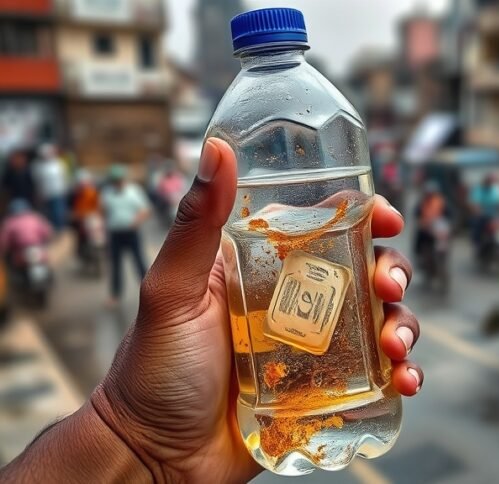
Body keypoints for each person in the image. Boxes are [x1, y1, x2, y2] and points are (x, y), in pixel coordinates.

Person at [0, 138, 423, 482]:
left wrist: (136, 443)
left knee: (359, 280)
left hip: (293, 425)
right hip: (272, 422)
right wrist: (135, 438)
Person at [101, 164, 151, 305]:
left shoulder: (134, 191)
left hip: (131, 233)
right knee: (115, 265)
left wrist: (136, 221)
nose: (117, 183)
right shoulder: (107, 193)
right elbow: (103, 211)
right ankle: (115, 295)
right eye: (114, 180)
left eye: (119, 180)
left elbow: (145, 209)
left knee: (139, 262)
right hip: (115, 233)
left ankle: (149, 293)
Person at [0, 199, 54, 267]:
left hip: (21, 252)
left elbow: (4, 241)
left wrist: (4, 251)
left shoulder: (9, 222)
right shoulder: (35, 217)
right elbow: (48, 231)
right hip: (37, 248)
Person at [32, 143, 69, 230]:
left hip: (58, 192)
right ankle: (50, 230)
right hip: (45, 194)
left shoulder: (59, 163)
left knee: (58, 213)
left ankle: (60, 229)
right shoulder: (37, 166)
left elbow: (64, 177)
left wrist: (65, 189)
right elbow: (37, 181)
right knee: (47, 214)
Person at [71, 169, 103, 259]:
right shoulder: (76, 195)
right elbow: (75, 209)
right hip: (82, 220)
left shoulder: (92, 193)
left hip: (92, 218)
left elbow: (98, 207)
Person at [469, 173, 499, 246]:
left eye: (491, 181)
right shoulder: (478, 189)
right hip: (482, 215)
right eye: (488, 181)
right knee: (476, 224)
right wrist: (477, 210)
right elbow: (475, 203)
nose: (490, 183)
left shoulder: (497, 190)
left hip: (495, 215)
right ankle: (477, 243)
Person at [414, 181, 448, 257]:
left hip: (437, 223)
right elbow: (416, 213)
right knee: (419, 233)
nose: (429, 195)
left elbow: (448, 214)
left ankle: (441, 250)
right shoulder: (422, 202)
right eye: (428, 193)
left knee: (442, 233)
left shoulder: (440, 201)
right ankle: (418, 252)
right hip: (426, 223)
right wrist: (421, 221)